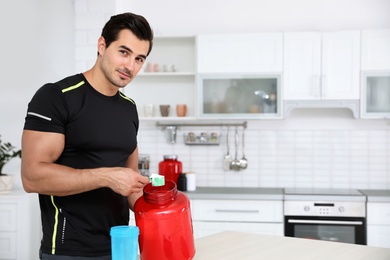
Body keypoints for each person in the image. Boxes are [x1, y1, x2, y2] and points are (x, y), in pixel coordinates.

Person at [21, 12, 153, 259]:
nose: (130, 66)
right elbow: (32, 177)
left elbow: (131, 183)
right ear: (102, 46)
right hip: (68, 251)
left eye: (139, 59)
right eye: (123, 52)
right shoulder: (56, 97)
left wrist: (162, 201)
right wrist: (106, 177)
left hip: (120, 248)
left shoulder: (128, 107)